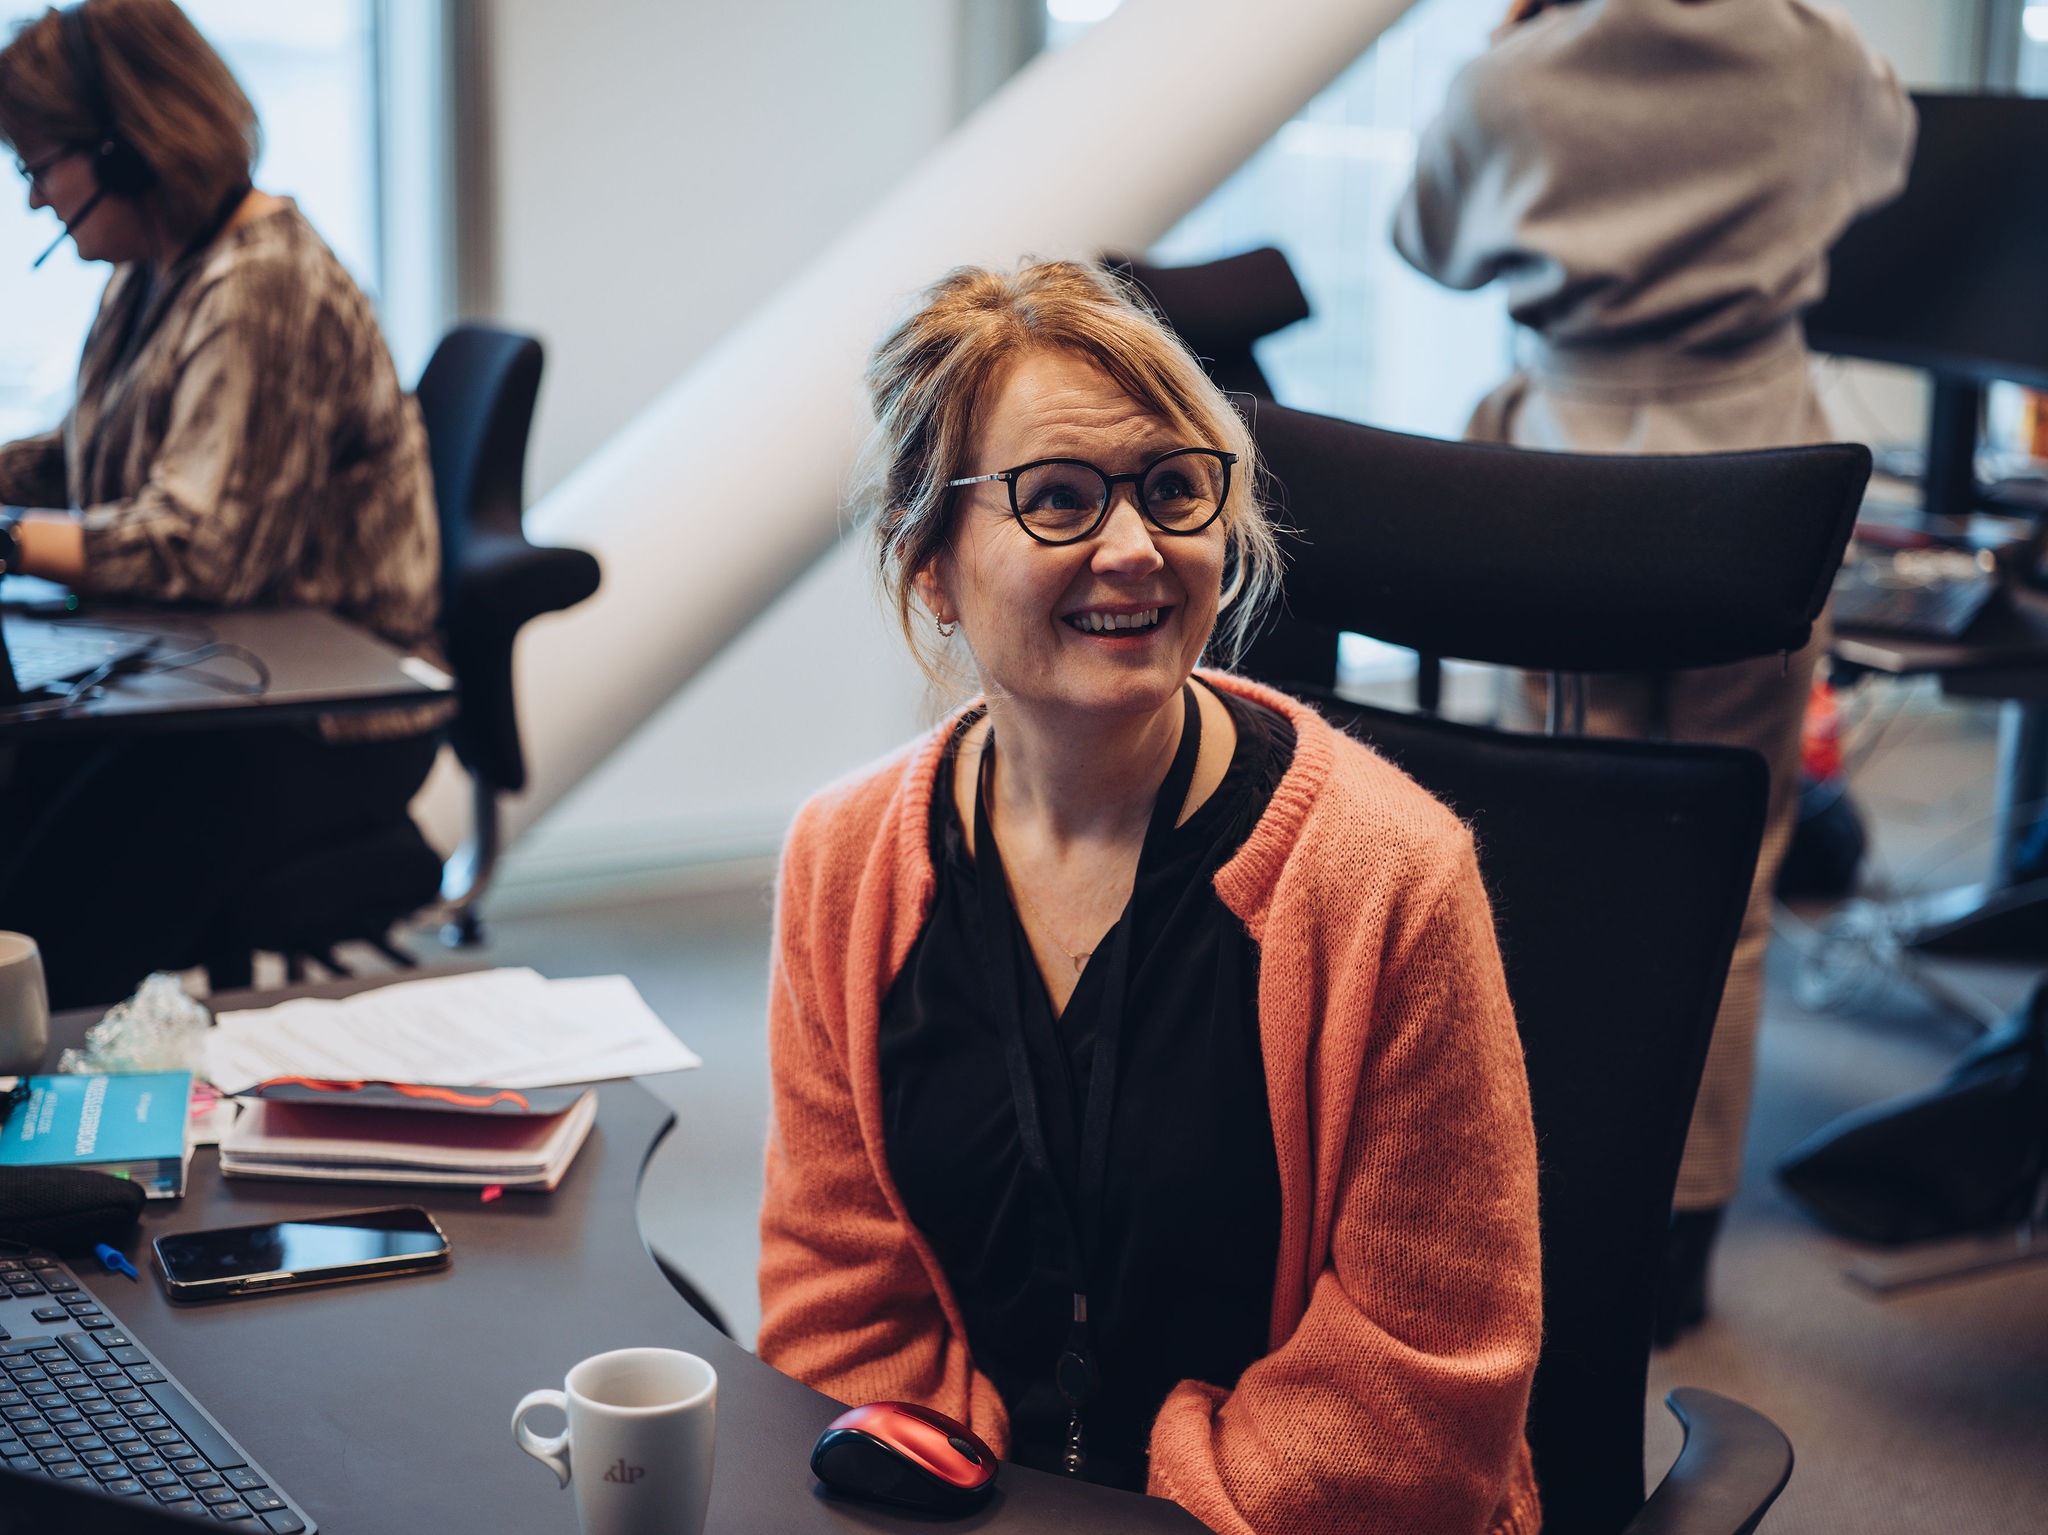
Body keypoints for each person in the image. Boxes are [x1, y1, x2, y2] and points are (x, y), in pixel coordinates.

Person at [755, 260, 1543, 1535]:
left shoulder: (1386, 876)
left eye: (1173, 488)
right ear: (932, 568)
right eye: (1056, 498)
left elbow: (1420, 1395)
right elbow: (837, 1302)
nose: (1133, 548)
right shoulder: (846, 861)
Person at [1393, 0, 1915, 1341]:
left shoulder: (1508, 77)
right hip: (1758, 482)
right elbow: (1892, 152)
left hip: (1563, 484)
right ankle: (1675, 1240)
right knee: (1727, 877)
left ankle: (1535, 1208)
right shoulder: (1805, 51)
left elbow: (1425, 240)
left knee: (1543, 856)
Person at [0, 0, 444, 1007]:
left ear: (122, 150)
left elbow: (202, 550)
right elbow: (89, 460)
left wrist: (8, 540)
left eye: (38, 166)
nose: (31, 200)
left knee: (50, 922)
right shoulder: (158, 269)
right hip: (219, 689)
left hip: (321, 723)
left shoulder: (260, 284)